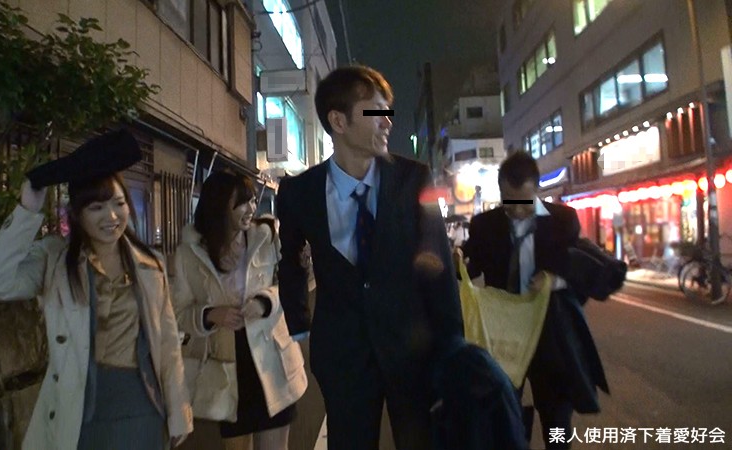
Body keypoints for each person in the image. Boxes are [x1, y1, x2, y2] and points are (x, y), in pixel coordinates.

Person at [275, 65, 464, 450]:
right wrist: (300, 325)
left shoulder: (414, 178)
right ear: (338, 121)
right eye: (375, 111)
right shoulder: (299, 192)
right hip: (342, 354)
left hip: (412, 348)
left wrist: (453, 348)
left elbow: (439, 268)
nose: (387, 122)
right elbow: (290, 258)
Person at [0, 129, 193, 450]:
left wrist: (179, 411)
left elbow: (167, 344)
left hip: (142, 405)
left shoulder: (150, 265)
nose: (112, 216)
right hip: (78, 409)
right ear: (76, 214)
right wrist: (27, 211)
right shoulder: (55, 260)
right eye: (96, 207)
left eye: (119, 203)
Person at [462, 150, 609, 449]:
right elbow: (471, 266)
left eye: (524, 202)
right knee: (504, 418)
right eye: (509, 202)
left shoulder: (563, 221)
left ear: (537, 190)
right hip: (503, 336)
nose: (517, 211)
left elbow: (581, 272)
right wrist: (455, 261)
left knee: (557, 421)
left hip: (550, 333)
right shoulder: (484, 225)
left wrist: (555, 280)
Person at [172, 170, 307, 450]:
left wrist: (264, 302)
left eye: (253, 201)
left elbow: (289, 286)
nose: (251, 209)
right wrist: (209, 315)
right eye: (242, 202)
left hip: (270, 360)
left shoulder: (266, 237)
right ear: (219, 205)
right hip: (226, 369)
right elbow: (178, 311)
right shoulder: (189, 254)